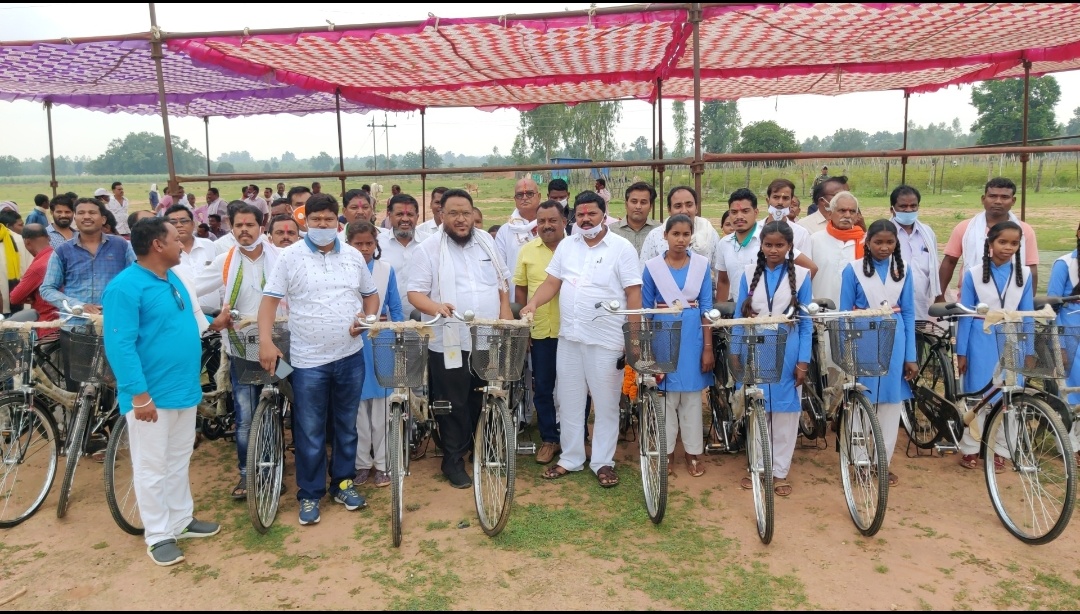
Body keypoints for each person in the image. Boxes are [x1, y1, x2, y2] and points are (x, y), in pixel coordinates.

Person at [103, 217, 227, 566]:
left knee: (177, 459)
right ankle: (158, 535)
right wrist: (139, 395)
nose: (181, 241)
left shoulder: (173, 278)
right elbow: (119, 345)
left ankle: (181, 520)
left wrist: (216, 324)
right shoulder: (125, 288)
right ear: (158, 245)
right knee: (151, 466)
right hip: (149, 397)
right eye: (175, 238)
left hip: (183, 390)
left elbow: (191, 323)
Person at [258, 193, 379, 525]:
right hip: (308, 361)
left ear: (337, 222)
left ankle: (342, 483)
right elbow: (269, 302)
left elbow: (371, 297)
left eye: (329, 220)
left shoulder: (354, 256)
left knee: (346, 426)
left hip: (350, 357)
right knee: (309, 430)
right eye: (316, 220)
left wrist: (367, 321)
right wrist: (266, 341)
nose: (323, 226)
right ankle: (310, 495)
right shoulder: (290, 258)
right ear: (304, 222)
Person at [522, 190, 642, 489]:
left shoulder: (621, 247)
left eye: (592, 214)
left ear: (605, 214)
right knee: (569, 401)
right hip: (570, 338)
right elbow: (552, 282)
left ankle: (603, 462)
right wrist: (533, 304)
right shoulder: (567, 246)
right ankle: (571, 458)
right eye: (581, 214)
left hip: (607, 340)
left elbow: (633, 293)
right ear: (574, 216)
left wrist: (634, 339)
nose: (586, 219)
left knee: (605, 404)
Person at [407, 188, 512, 488]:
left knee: (484, 398)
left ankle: (483, 452)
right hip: (449, 340)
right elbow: (415, 293)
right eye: (453, 213)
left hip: (487, 337)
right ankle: (452, 461)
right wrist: (436, 307)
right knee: (453, 403)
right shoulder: (428, 248)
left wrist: (504, 316)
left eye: (466, 213)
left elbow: (503, 283)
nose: (461, 219)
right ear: (441, 215)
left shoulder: (487, 242)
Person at [196, 204, 280, 500]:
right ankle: (247, 475)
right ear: (231, 227)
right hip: (240, 346)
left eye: (250, 225)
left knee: (276, 406)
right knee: (245, 413)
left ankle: (273, 468)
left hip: (277, 345)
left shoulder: (280, 258)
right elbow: (192, 288)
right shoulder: (225, 260)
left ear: (261, 226)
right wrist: (210, 318)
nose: (244, 230)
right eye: (238, 225)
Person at [734, 221, 812, 497]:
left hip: (788, 352)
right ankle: (757, 467)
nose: (773, 249)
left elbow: (805, 323)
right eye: (768, 244)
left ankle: (779, 472)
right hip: (754, 348)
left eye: (780, 245)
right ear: (761, 245)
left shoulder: (802, 276)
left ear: (790, 247)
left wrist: (803, 361)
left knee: (785, 414)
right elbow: (738, 318)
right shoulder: (747, 273)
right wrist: (735, 352)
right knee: (758, 410)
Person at [838, 220, 917, 487]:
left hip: (896, 338)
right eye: (878, 242)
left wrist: (911, 356)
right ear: (867, 242)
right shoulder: (853, 270)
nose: (884, 247)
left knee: (891, 402)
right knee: (862, 399)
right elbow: (845, 312)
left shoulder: (903, 272)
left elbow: (908, 312)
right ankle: (859, 461)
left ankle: (881, 461)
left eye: (890, 242)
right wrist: (846, 351)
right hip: (863, 337)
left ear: (896, 244)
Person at [955, 221, 1033, 471]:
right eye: (1002, 242)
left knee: (1009, 397)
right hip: (981, 338)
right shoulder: (974, 274)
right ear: (990, 243)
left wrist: (1029, 349)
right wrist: (961, 352)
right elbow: (965, 315)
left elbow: (1027, 314)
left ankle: (1001, 449)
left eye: (1014, 243)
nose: (1008, 248)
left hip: (1012, 339)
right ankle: (970, 447)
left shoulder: (1026, 274)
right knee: (979, 396)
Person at [641, 214, 713, 477]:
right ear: (665, 235)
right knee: (666, 397)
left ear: (691, 235)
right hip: (663, 333)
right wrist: (647, 347)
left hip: (693, 334)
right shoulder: (652, 267)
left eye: (686, 234)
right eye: (676, 234)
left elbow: (707, 307)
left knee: (693, 398)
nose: (681, 240)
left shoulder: (702, 265)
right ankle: (667, 452)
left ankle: (693, 453)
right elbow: (647, 310)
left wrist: (707, 347)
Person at [345, 221, 404, 488]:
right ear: (348, 244)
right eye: (358, 243)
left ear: (376, 244)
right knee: (357, 412)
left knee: (381, 410)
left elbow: (395, 307)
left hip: (381, 343)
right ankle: (361, 465)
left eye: (369, 243)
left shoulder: (385, 270)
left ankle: (382, 464)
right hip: (350, 345)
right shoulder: (340, 270)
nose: (365, 248)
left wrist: (400, 336)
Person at [513, 200, 566, 464]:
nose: (546, 225)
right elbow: (521, 292)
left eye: (552, 220)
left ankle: (575, 438)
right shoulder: (526, 252)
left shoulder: (576, 250)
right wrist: (526, 330)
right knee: (543, 387)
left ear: (564, 222)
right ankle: (549, 439)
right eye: (541, 221)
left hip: (572, 331)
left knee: (575, 388)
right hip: (541, 331)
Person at [938, 177, 1039, 302]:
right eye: (992, 196)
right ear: (983, 199)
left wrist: (1029, 300)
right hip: (971, 299)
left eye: (1004, 197)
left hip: (1013, 301)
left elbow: (1031, 268)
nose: (998, 201)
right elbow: (949, 262)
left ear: (1013, 201)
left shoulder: (1024, 231)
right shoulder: (965, 228)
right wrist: (940, 295)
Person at [715, 188, 816, 302]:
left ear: (756, 212)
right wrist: (721, 311)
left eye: (745, 211)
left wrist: (785, 299)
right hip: (739, 312)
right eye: (734, 212)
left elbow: (811, 268)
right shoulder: (724, 243)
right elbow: (723, 281)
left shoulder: (769, 239)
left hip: (771, 312)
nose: (739, 216)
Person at [41, 197, 136, 314]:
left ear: (103, 219)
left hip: (113, 321)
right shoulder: (62, 250)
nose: (86, 217)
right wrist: (78, 305)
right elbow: (47, 289)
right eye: (81, 213)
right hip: (75, 323)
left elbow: (137, 278)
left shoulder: (122, 246)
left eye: (92, 212)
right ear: (75, 219)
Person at [1047, 222, 1080, 454]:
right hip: (1070, 336)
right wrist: (1057, 343)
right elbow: (1052, 307)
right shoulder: (1065, 264)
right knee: (1071, 391)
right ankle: (1070, 446)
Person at [639, 186, 721, 273]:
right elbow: (644, 272)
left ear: (696, 207)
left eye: (689, 205)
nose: (684, 211)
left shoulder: (709, 233)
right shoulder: (655, 236)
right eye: (678, 206)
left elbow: (720, 273)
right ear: (669, 210)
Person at [889, 185, 940, 321]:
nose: (909, 210)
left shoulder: (927, 233)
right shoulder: (884, 234)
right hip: (892, 304)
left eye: (913, 206)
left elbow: (934, 267)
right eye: (903, 206)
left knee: (919, 340)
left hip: (921, 303)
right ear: (892, 209)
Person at [808, 191, 864, 307]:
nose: (847, 215)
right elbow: (804, 278)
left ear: (857, 216)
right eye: (842, 211)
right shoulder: (815, 240)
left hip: (854, 315)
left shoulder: (865, 242)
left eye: (852, 211)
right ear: (830, 214)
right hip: (820, 313)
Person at [165, 204, 219, 314]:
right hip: (183, 316)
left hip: (215, 316)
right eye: (173, 222)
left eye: (184, 221)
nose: (179, 225)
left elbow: (221, 278)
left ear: (193, 224)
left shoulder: (210, 246)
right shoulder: (164, 254)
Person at [378, 193, 424, 318]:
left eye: (410, 214)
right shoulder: (377, 244)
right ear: (389, 216)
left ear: (417, 217)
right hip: (386, 320)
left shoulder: (429, 244)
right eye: (399, 214)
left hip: (424, 319)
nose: (405, 219)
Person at [10, 224, 57, 322]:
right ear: (48, 238)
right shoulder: (59, 255)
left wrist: (30, 296)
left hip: (48, 323)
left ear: (27, 242)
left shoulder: (38, 267)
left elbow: (14, 298)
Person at [495, 178, 541, 274]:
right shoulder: (505, 231)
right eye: (520, 195)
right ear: (515, 199)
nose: (524, 198)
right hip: (515, 287)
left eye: (529, 193)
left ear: (539, 196)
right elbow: (499, 268)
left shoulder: (551, 226)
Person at [611, 181, 660, 254]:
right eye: (634, 202)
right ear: (626, 204)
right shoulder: (611, 231)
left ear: (651, 207)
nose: (638, 207)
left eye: (643, 202)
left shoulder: (660, 231)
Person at [764, 179, 811, 254]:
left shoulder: (801, 233)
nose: (780, 202)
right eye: (776, 197)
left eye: (785, 198)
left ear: (791, 202)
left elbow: (805, 265)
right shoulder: (755, 230)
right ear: (768, 200)